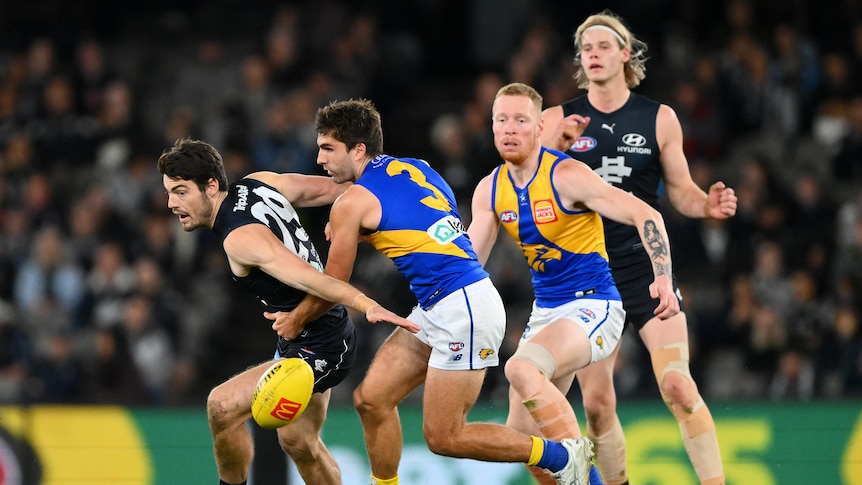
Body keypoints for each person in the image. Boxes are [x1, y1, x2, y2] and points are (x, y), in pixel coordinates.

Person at [278, 98, 592, 485]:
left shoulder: (351, 202)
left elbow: (333, 284)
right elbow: (426, 227)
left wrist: (295, 320)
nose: (320, 158)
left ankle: (561, 455)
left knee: (445, 437)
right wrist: (364, 232)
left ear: (358, 149)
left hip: (463, 309)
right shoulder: (415, 167)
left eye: (328, 148)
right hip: (442, 303)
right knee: (371, 400)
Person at [539, 11, 738, 485]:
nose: (594, 54)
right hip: (587, 276)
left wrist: (706, 205)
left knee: (677, 386)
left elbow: (682, 192)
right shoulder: (555, 119)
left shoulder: (658, 117)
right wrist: (556, 150)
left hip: (646, 268)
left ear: (625, 55)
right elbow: (526, 188)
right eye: (586, 48)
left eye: (604, 46)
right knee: (597, 405)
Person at [156, 137, 420, 485]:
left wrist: (366, 304)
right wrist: (393, 178)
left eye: (180, 192)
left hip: (321, 345)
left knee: (221, 407)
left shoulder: (240, 238)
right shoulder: (259, 182)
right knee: (298, 442)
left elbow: (316, 281)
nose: (172, 203)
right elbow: (330, 188)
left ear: (211, 186)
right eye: (169, 192)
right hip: (307, 336)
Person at [467, 82, 680, 485]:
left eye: (520, 120)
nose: (510, 129)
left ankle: (584, 468)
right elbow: (468, 264)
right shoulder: (490, 189)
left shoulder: (566, 175)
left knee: (521, 369)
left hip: (594, 305)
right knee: (523, 439)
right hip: (547, 312)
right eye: (501, 120)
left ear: (538, 127)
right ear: (491, 127)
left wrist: (664, 278)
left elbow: (647, 215)